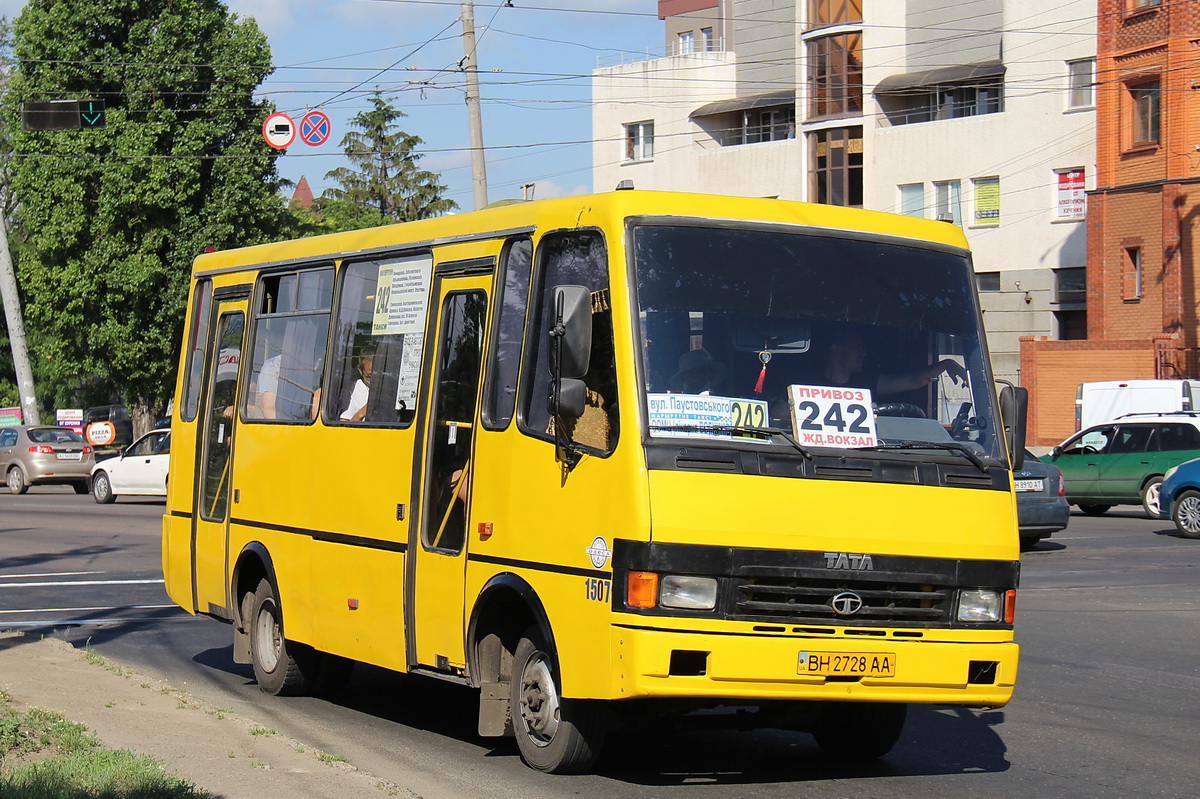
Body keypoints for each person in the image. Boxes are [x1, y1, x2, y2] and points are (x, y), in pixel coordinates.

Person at [823, 330, 967, 396]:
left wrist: (946, 364)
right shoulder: (806, 382)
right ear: (837, 352)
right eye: (857, 348)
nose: (864, 353)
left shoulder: (866, 383)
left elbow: (913, 379)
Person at [340, 351, 374, 422]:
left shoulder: (391, 389)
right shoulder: (352, 390)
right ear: (360, 370)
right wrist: (362, 413)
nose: (375, 380)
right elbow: (344, 427)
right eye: (370, 376)